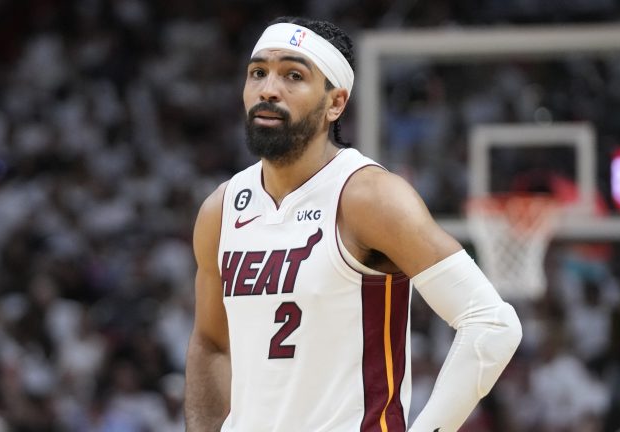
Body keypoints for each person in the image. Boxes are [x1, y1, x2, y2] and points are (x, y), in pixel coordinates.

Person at [184, 16, 522, 432]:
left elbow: (492, 324)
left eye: (293, 75)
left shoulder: (369, 198)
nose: (268, 89)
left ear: (335, 103)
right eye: (258, 73)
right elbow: (211, 344)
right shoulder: (220, 210)